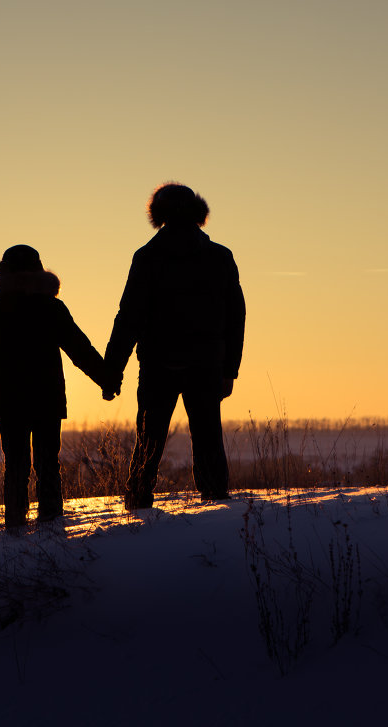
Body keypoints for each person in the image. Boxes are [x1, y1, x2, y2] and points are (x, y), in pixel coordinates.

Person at [103, 184, 246, 509]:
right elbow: (236, 317)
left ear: (158, 214)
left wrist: (112, 372)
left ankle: (138, 500)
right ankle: (216, 501)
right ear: (197, 212)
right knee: (208, 436)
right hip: (206, 365)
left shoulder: (147, 257)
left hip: (157, 364)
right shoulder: (219, 256)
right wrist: (229, 369)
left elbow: (128, 318)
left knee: (149, 438)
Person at [0, 244, 107, 529]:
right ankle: (51, 523)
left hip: (10, 402)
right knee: (47, 462)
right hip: (47, 400)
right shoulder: (51, 308)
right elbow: (80, 349)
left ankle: (15, 526)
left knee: (16, 466)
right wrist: (107, 379)